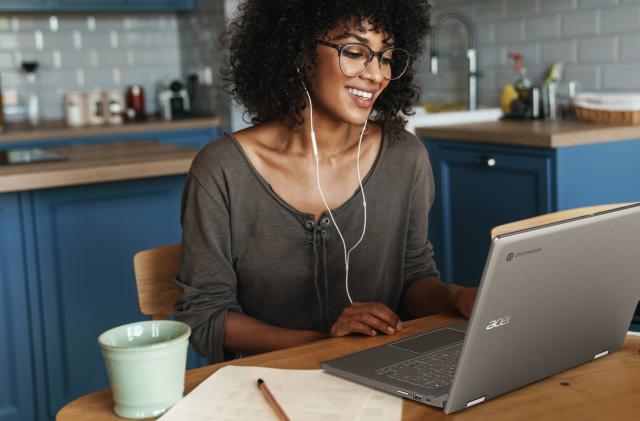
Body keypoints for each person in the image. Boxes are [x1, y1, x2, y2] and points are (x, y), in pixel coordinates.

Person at [175, 0, 477, 363]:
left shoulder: (404, 157)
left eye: (384, 57)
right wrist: (323, 343)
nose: (376, 75)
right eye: (354, 51)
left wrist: (457, 297)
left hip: (381, 374)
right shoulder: (221, 170)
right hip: (268, 382)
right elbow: (206, 318)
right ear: (300, 51)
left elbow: (413, 278)